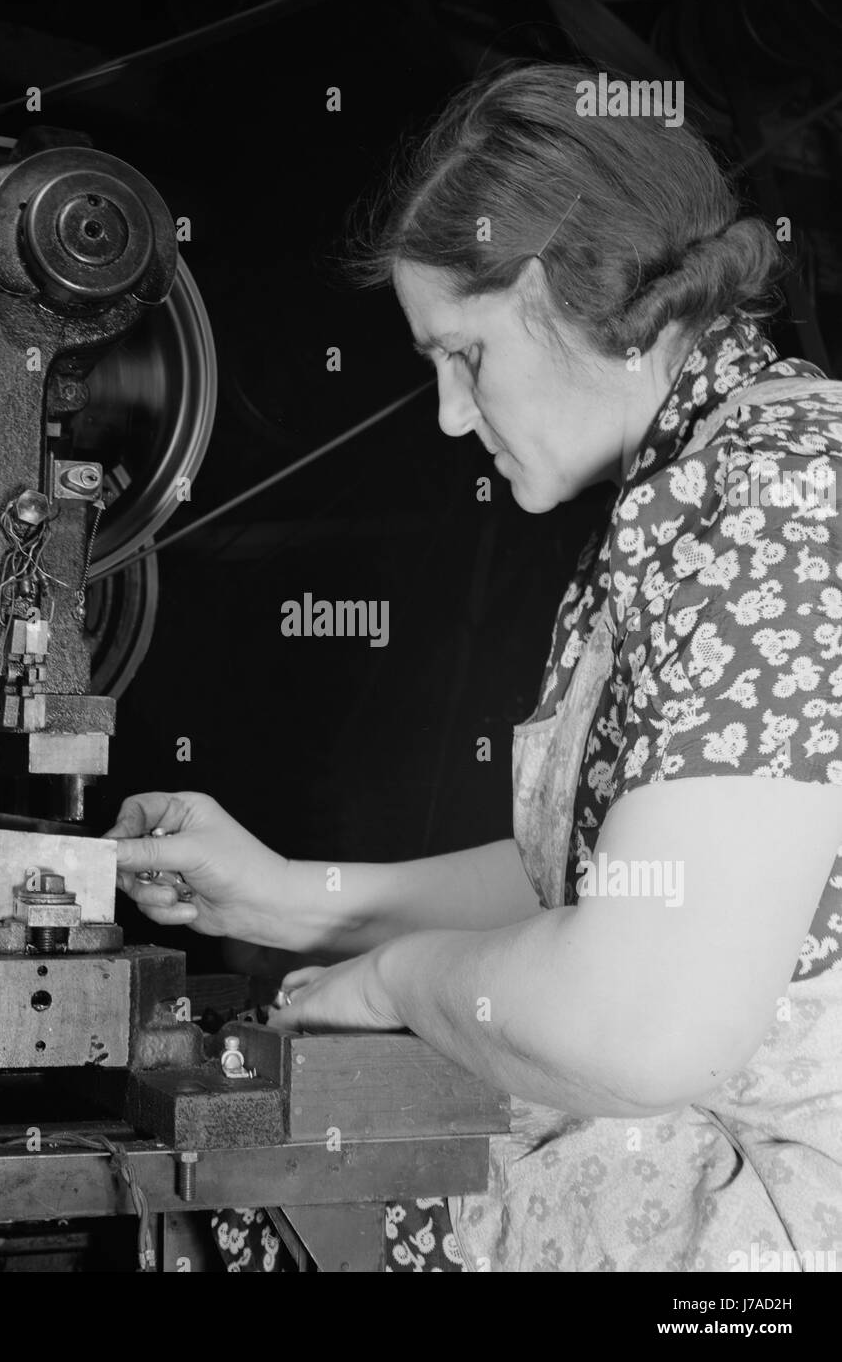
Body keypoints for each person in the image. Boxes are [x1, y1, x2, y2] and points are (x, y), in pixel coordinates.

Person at [109, 62, 842, 1273]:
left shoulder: (774, 496)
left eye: (463, 354)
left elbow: (641, 1021)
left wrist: (399, 978)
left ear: (560, 292)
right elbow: (631, 876)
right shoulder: (716, 480)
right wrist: (297, 895)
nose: (451, 416)